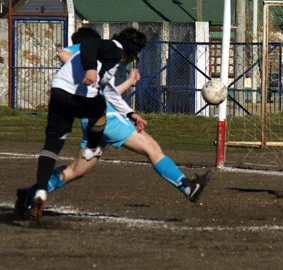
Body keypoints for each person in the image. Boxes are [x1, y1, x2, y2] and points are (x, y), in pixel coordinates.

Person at [15, 39, 212, 220]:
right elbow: (64, 54)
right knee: (151, 148)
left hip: (96, 117)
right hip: (106, 116)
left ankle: (30, 194)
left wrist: (127, 84)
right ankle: (187, 187)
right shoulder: (94, 48)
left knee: (77, 170)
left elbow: (108, 91)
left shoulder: (107, 60)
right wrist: (83, 69)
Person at [21, 26, 147, 220]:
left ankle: (40, 192)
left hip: (59, 92)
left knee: (52, 145)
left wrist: (130, 113)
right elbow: (88, 44)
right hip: (79, 96)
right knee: (100, 110)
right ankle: (92, 148)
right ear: (132, 51)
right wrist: (90, 70)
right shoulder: (115, 48)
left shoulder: (104, 57)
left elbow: (109, 90)